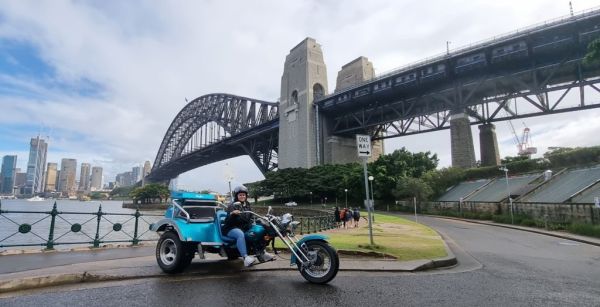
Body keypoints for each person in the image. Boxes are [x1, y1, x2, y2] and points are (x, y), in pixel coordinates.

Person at [222, 185, 274, 266]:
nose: (242, 196)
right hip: (231, 228)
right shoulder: (232, 205)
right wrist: (232, 213)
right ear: (237, 196)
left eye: (243, 195)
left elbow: (250, 216)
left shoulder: (247, 205)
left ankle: (262, 252)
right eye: (240, 195)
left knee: (259, 230)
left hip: (244, 227)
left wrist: (259, 219)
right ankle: (245, 257)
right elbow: (227, 220)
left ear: (246, 196)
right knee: (240, 234)